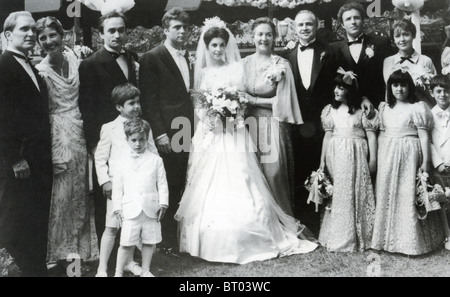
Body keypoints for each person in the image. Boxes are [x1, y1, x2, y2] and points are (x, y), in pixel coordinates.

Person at [174, 18, 318, 265]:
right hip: (214, 132)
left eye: (221, 45)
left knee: (247, 177)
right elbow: (198, 102)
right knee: (210, 182)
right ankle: (208, 239)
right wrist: (209, 117)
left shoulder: (237, 69)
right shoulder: (206, 72)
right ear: (207, 49)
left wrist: (231, 111)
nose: (218, 50)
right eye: (214, 46)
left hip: (235, 129)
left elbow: (241, 99)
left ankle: (258, 230)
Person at [78, 11, 139, 252]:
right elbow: (87, 108)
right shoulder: (90, 64)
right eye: (111, 30)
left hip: (132, 136)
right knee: (109, 198)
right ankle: (110, 255)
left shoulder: (131, 57)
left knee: (131, 192)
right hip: (108, 141)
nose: (117, 34)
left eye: (121, 30)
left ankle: (130, 251)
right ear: (101, 33)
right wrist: (95, 146)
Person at [34, 16, 92, 268]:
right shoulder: (40, 72)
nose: (49, 41)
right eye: (43, 38)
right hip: (57, 135)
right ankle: (58, 255)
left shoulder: (75, 59)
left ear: (63, 35)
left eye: (52, 35)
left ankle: (78, 254)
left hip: (79, 132)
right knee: (61, 196)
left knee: (80, 194)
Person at [0, 11, 53, 276]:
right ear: (9, 35)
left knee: (35, 217)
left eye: (34, 29)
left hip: (39, 158)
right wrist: (14, 157)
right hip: (19, 160)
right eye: (25, 30)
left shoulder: (31, 65)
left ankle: (36, 268)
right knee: (16, 221)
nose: (32, 34)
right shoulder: (4, 66)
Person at [139, 7, 194, 255]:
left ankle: (183, 235)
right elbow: (149, 100)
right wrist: (160, 134)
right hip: (169, 131)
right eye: (177, 27)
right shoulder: (152, 57)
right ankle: (166, 239)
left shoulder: (188, 55)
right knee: (169, 182)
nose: (182, 31)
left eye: (185, 27)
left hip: (189, 127)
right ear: (165, 30)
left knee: (185, 178)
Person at [371, 69, 444, 255]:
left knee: (408, 193)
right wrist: (379, 158)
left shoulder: (418, 107)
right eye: (395, 85)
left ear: (409, 86)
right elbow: (381, 134)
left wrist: (426, 162)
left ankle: (410, 241)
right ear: (390, 87)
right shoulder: (385, 108)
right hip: (388, 153)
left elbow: (423, 136)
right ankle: (386, 239)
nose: (399, 89)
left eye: (403, 85)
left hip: (410, 154)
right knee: (388, 193)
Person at [286, 10, 341, 232]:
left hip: (323, 123)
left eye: (309, 24)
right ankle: (304, 220)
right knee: (300, 169)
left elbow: (339, 84)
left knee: (325, 168)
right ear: (295, 28)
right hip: (298, 124)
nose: (305, 28)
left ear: (317, 25)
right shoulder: (287, 56)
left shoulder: (330, 52)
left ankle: (327, 221)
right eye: (301, 25)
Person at [242, 17, 303, 216]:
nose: (264, 38)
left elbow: (285, 102)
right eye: (260, 34)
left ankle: (278, 219)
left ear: (274, 37)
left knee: (273, 172)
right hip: (247, 124)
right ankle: (257, 221)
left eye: (268, 34)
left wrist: (254, 100)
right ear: (253, 37)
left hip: (272, 124)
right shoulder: (243, 63)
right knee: (249, 172)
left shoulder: (282, 64)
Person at [94, 83, 157, 277]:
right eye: (131, 103)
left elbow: (152, 151)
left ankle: (129, 263)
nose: (137, 106)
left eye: (138, 102)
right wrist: (105, 181)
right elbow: (100, 157)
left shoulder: (144, 126)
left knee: (134, 227)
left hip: (138, 186)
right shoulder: (109, 128)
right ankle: (102, 268)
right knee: (112, 228)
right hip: (117, 187)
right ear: (119, 107)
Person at [317, 70, 378, 252]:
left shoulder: (362, 112)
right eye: (335, 87)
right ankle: (339, 234)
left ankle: (361, 234)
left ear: (350, 91)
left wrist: (373, 159)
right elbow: (327, 137)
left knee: (357, 190)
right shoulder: (330, 111)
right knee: (340, 191)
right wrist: (322, 161)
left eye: (341, 87)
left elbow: (371, 137)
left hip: (357, 154)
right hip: (336, 155)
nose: (336, 90)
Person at [113, 118, 168, 277]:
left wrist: (163, 203)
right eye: (134, 140)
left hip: (151, 208)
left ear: (147, 138)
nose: (138, 144)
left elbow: (162, 184)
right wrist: (117, 207)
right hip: (130, 209)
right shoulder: (121, 161)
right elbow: (118, 187)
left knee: (149, 241)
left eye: (142, 140)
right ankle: (118, 272)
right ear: (127, 140)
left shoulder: (156, 160)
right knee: (125, 243)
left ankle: (145, 270)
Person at [331, 2, 393, 108]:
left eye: (356, 18)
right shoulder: (334, 48)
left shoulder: (381, 43)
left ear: (363, 20)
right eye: (348, 19)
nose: (353, 22)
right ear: (342, 24)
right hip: (348, 107)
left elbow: (391, 76)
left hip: (378, 104)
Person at [383, 19, 437, 107]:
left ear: (413, 36)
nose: (402, 39)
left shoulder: (425, 60)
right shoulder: (388, 62)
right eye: (397, 36)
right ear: (394, 39)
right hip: (399, 111)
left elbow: (435, 89)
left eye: (406, 34)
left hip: (424, 108)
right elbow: (388, 91)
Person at [429, 75, 450, 250]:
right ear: (432, 93)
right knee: (443, 200)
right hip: (439, 166)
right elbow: (427, 141)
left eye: (446, 90)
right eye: (439, 91)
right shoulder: (428, 115)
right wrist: (437, 163)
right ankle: (447, 235)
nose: (443, 94)